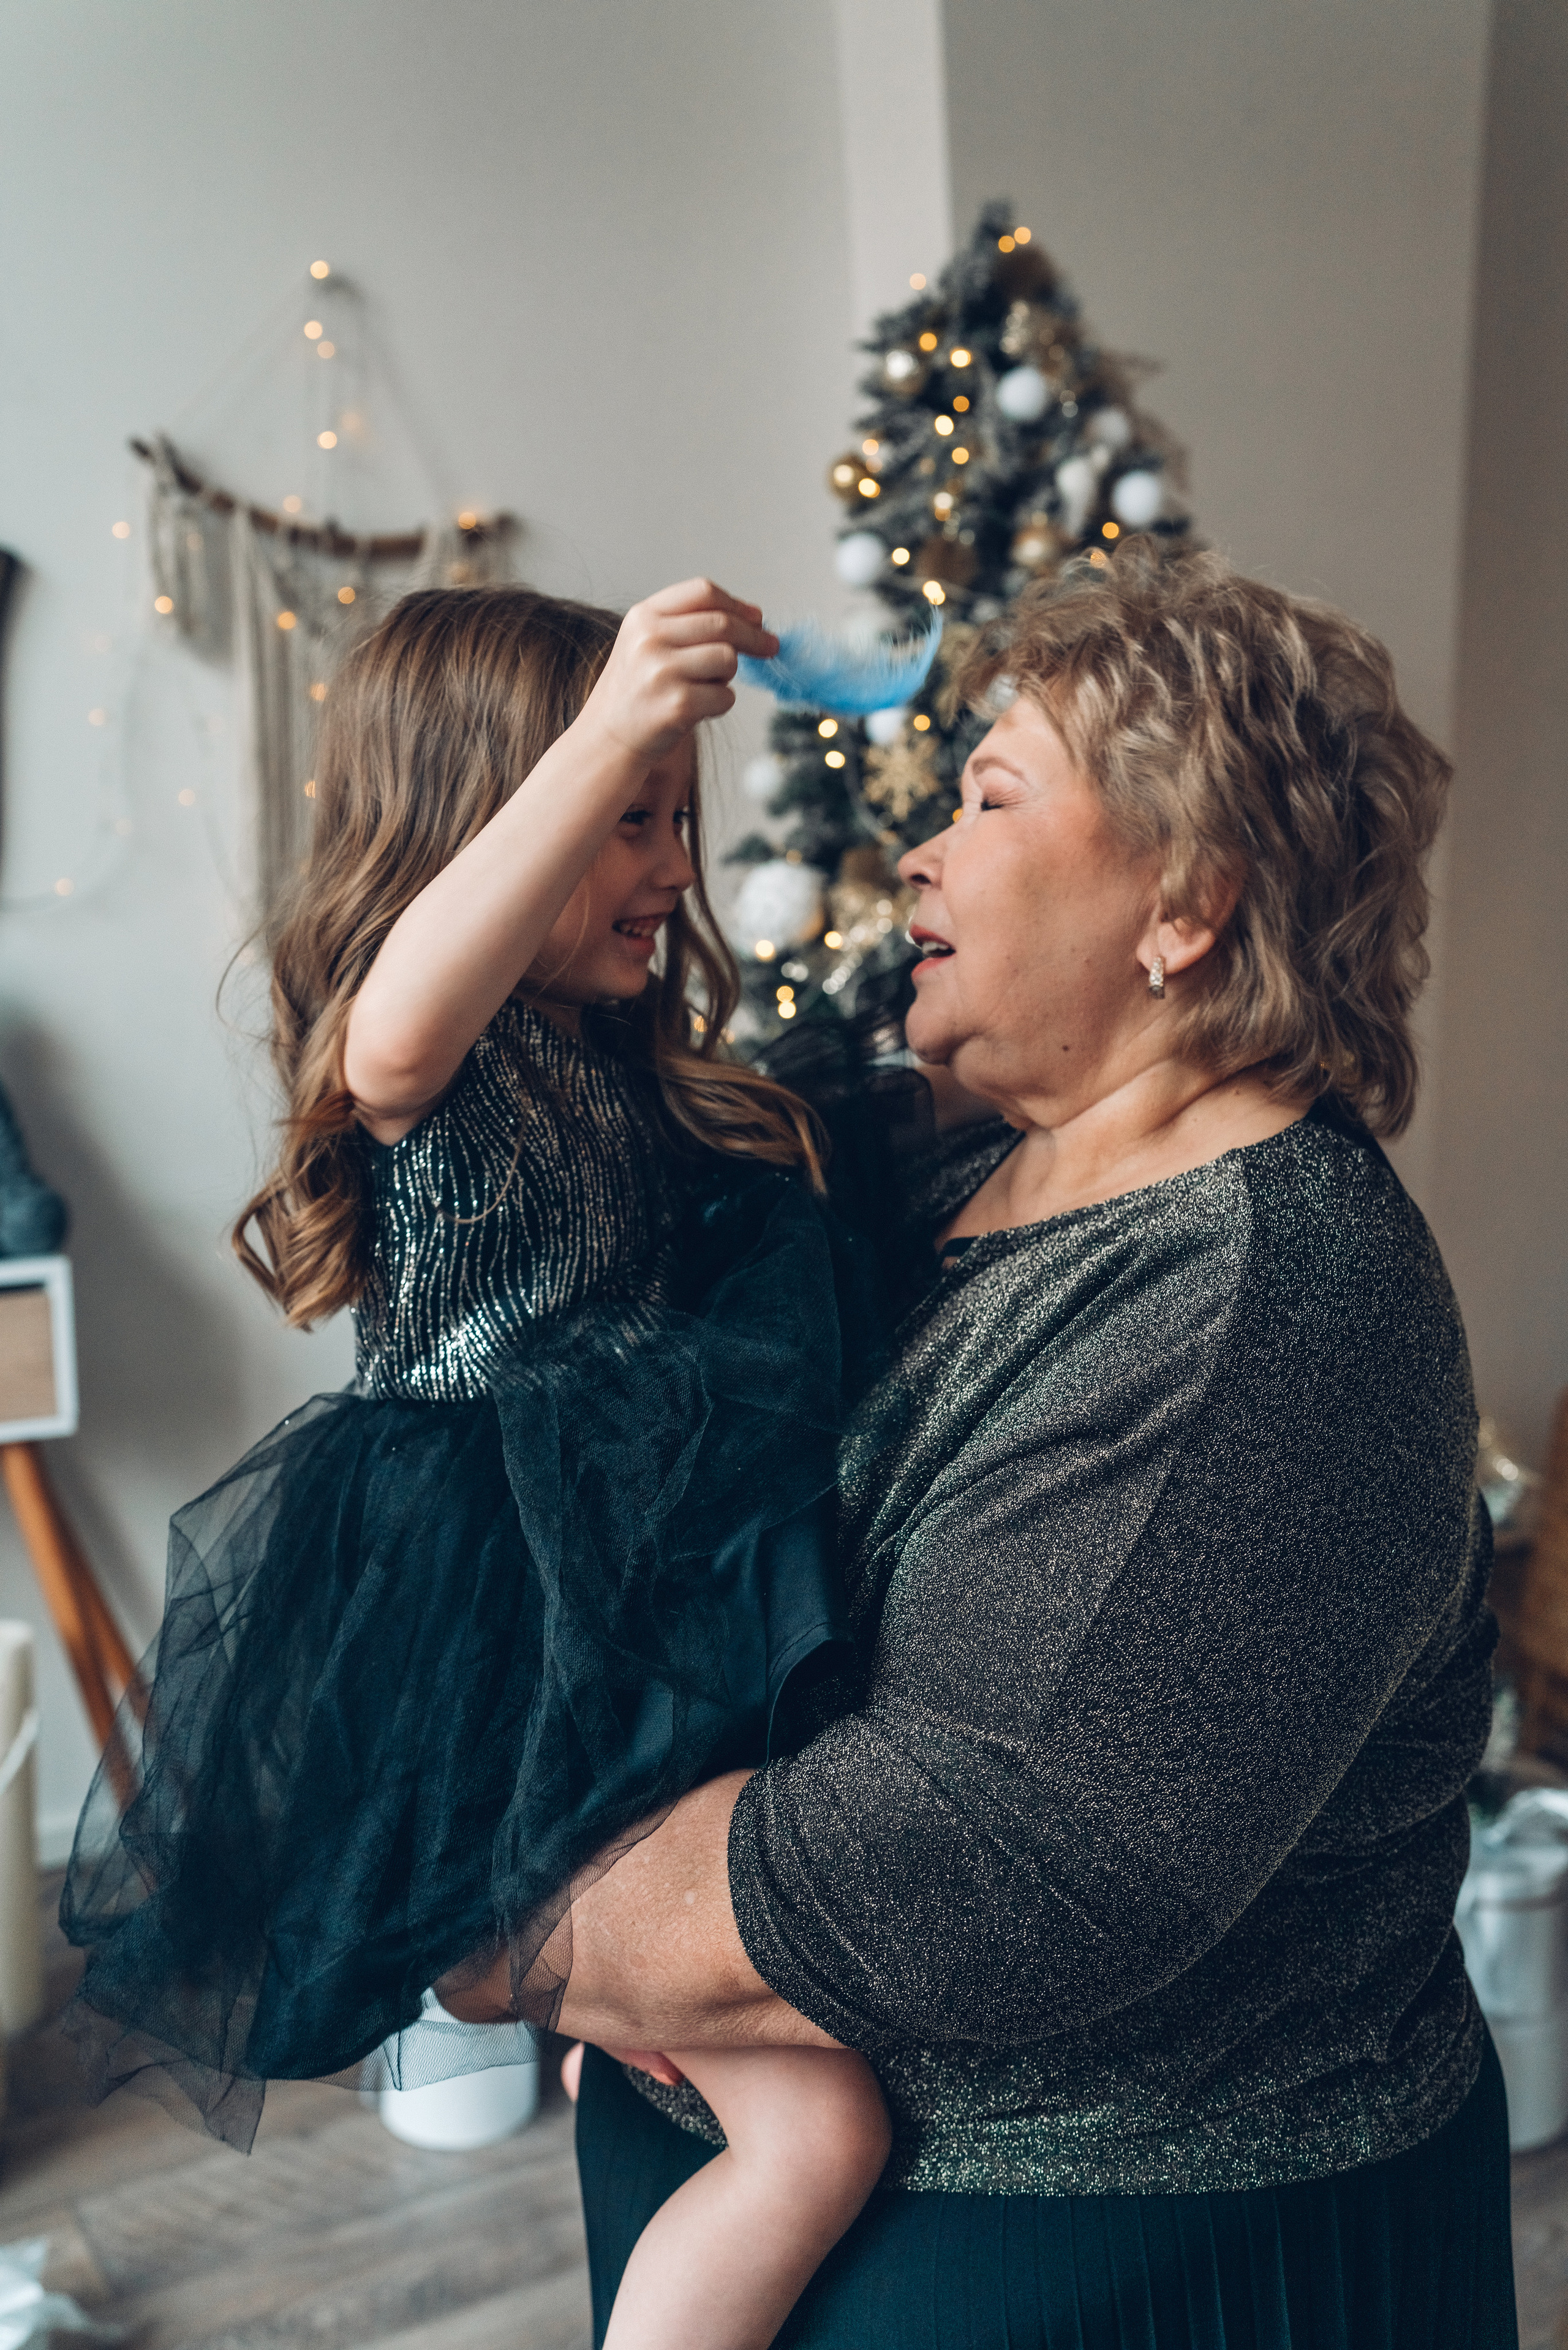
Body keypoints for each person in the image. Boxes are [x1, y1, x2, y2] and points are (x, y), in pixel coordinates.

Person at [472, 544, 1515, 2346]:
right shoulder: (951, 1152)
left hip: (1092, 2256)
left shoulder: (1264, 1298)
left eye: (989, 795)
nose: (919, 854)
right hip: (765, 2157)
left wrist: (492, 1911)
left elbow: (957, 1873)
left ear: (1187, 903)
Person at [60, 579, 891, 2350]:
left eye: (678, 814)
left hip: (621, 1615)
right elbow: (390, 1033)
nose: (668, 864)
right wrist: (601, 735)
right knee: (822, 2126)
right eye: (624, 821)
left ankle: (622, 2066)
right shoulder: (443, 1047)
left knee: (787, 2112)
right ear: (492, 826)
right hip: (489, 1637)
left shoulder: (619, 1056)